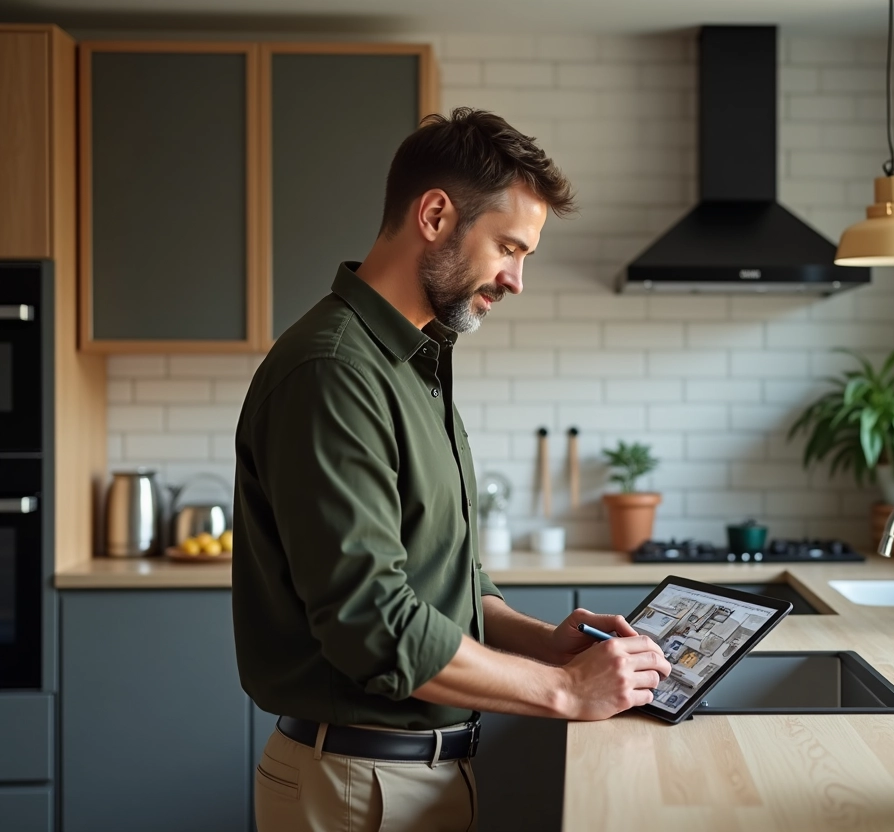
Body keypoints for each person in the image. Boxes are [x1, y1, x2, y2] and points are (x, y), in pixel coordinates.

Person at [232, 107, 672, 832]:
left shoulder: (415, 365)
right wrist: (564, 690)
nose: (517, 279)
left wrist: (544, 640)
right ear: (435, 215)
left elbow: (446, 583)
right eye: (508, 246)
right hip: (359, 788)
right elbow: (374, 624)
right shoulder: (335, 372)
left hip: (408, 777)